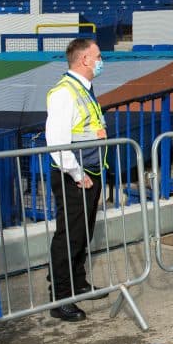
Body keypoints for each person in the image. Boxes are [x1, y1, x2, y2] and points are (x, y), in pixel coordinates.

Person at [45, 38, 109, 322]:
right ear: (84, 59)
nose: (100, 60)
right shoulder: (64, 93)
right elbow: (57, 142)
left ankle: (78, 282)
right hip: (74, 175)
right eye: (97, 55)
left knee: (83, 232)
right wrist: (77, 173)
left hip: (90, 172)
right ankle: (60, 298)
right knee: (69, 235)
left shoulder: (85, 89)